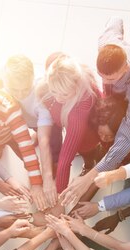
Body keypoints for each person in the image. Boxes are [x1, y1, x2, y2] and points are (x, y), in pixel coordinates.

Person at [59, 16, 130, 206]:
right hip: (114, 102)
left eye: (111, 79)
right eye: (102, 77)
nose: (105, 82)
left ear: (126, 67)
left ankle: (126, 172)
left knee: (129, 147)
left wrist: (91, 176)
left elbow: (128, 134)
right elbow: (114, 22)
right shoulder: (107, 42)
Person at [36, 54, 102, 193]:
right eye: (54, 91)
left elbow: (65, 161)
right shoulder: (64, 70)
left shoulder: (80, 109)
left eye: (64, 94)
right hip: (71, 121)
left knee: (86, 149)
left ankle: (89, 165)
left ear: (76, 88)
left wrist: (60, 196)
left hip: (89, 132)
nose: (58, 98)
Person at [1, 54, 59, 209]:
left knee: (53, 145)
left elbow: (44, 140)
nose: (19, 95)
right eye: (14, 89)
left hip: (48, 123)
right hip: (26, 122)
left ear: (33, 78)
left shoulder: (42, 93)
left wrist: (46, 178)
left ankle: (54, 167)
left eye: (25, 89)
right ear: (4, 80)